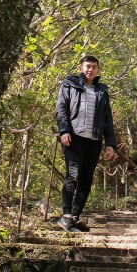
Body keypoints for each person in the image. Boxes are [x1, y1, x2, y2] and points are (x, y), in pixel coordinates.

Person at [55, 55, 116, 232]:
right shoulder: (69, 85)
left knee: (86, 179)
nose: (90, 69)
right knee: (72, 175)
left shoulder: (102, 93)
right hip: (75, 138)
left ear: (98, 70)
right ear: (81, 68)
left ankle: (75, 217)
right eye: (87, 66)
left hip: (94, 141)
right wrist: (64, 130)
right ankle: (66, 216)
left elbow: (107, 120)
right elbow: (61, 109)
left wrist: (110, 143)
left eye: (94, 67)